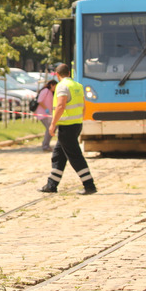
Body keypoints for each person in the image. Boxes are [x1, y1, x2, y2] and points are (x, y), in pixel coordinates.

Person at [40, 64, 96, 195]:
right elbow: (84, 106)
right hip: (76, 124)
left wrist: (53, 124)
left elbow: (60, 105)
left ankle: (89, 185)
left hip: (67, 126)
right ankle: (51, 185)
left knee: (75, 156)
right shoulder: (77, 86)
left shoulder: (62, 86)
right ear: (69, 73)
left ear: (57, 74)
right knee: (58, 155)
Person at [36, 80, 57, 151]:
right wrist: (46, 109)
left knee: (52, 128)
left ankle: (46, 144)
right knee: (50, 128)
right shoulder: (45, 91)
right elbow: (40, 101)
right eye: (55, 86)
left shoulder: (51, 93)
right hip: (42, 114)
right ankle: (45, 145)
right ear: (51, 85)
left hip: (48, 114)